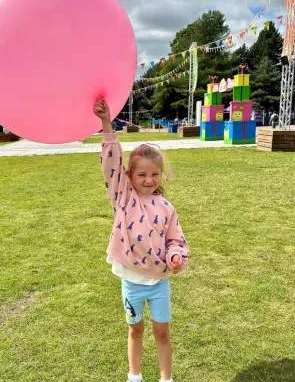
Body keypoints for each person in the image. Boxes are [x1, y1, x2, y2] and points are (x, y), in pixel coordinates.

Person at [93, 99, 189, 382]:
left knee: (162, 332)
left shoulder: (167, 208)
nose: (149, 179)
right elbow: (111, 161)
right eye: (142, 174)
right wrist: (107, 125)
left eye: (154, 174)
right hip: (132, 283)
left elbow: (176, 240)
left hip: (159, 283)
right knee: (135, 329)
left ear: (161, 175)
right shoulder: (122, 197)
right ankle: (134, 376)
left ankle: (165, 379)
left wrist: (176, 257)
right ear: (129, 176)